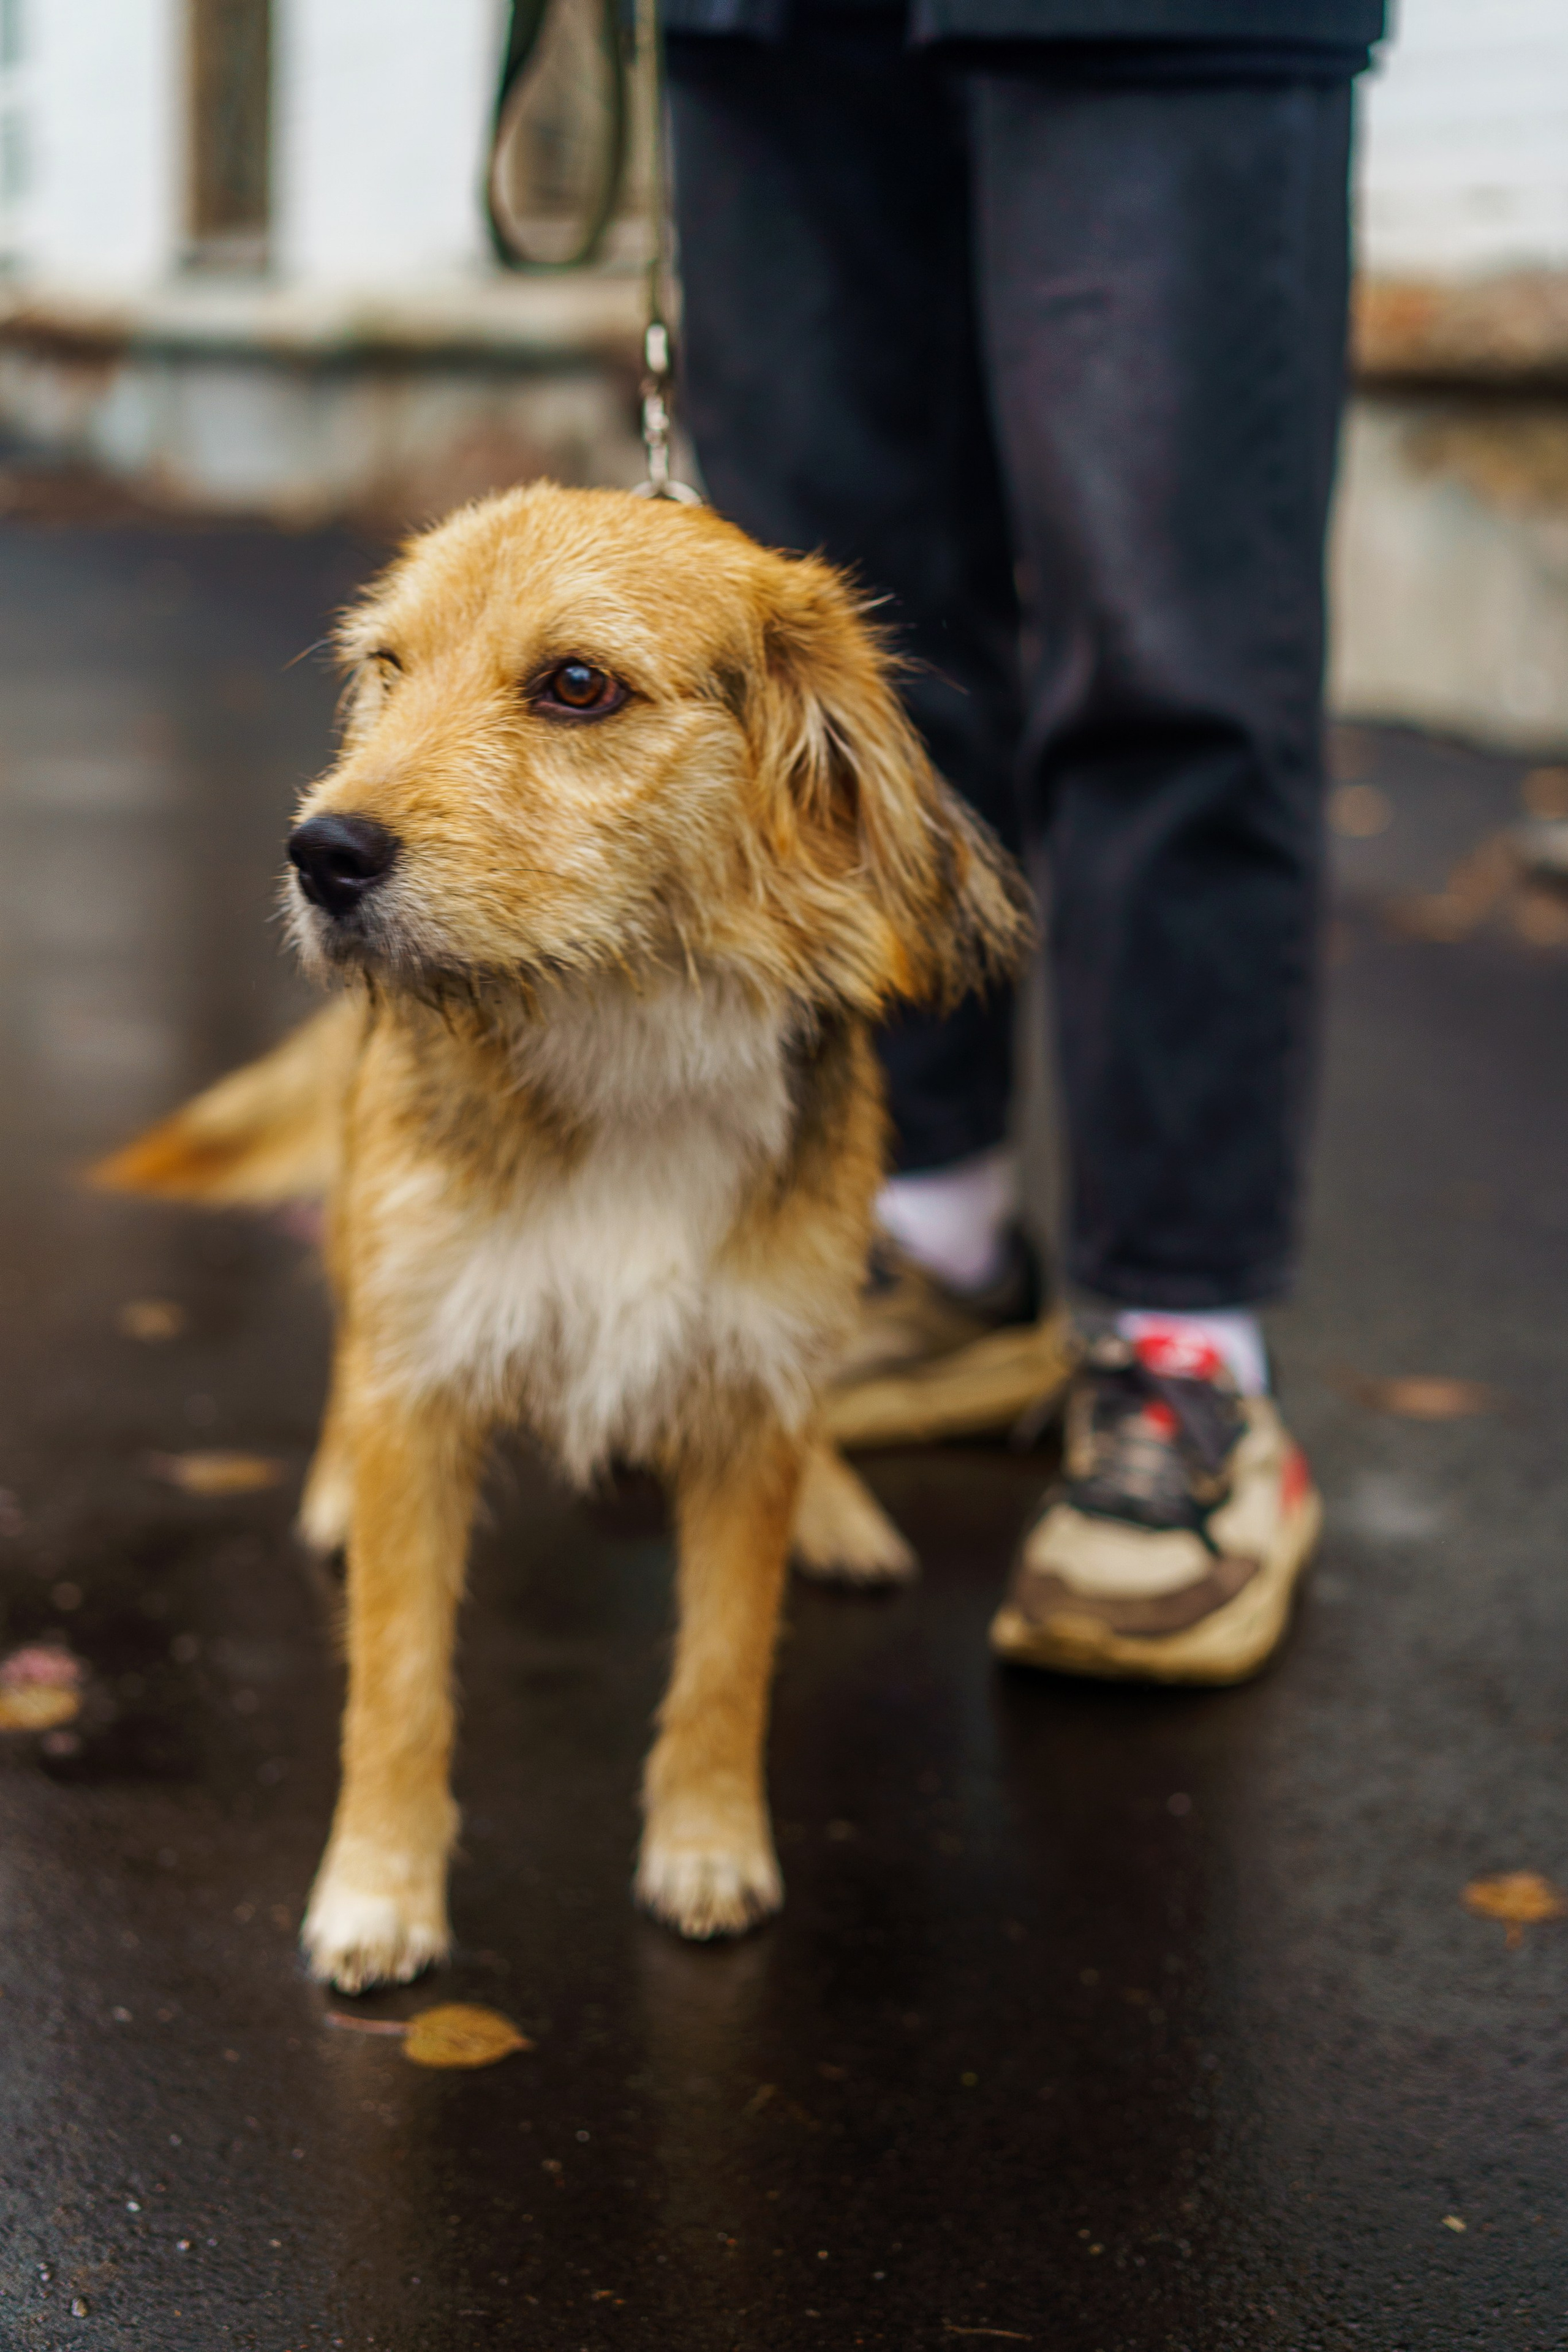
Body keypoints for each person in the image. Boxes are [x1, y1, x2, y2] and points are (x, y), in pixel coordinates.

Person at [662, 0, 1385, 1683]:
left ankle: (1183, 1345)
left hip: (1151, 27)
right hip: (768, 33)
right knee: (848, 664)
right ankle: (936, 1233)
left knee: (1168, 651)